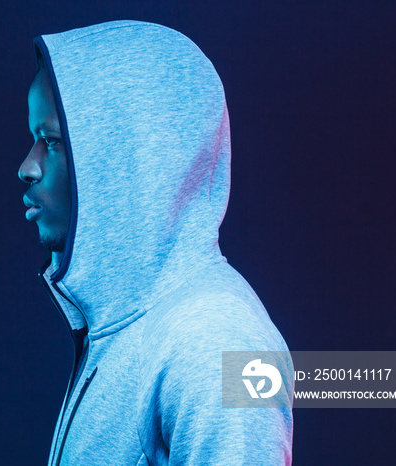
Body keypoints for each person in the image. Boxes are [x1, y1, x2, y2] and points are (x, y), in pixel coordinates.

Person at [18, 20, 293, 465]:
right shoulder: (127, 328)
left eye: (51, 141)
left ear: (129, 157)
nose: (27, 167)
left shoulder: (214, 338)